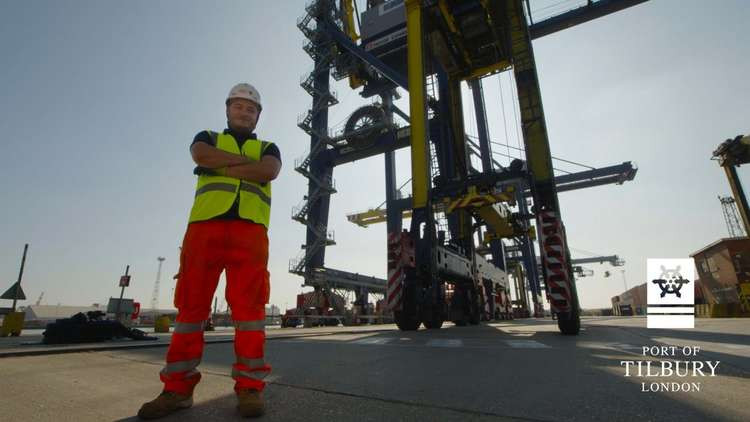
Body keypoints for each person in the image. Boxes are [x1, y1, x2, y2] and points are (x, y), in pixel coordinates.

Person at [138, 83, 281, 419]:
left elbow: (268, 171)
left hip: (251, 233)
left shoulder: (269, 147)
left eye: (250, 109)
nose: (244, 112)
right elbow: (201, 155)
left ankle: (249, 388)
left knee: (250, 314)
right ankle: (176, 390)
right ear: (228, 110)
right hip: (204, 230)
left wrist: (221, 167)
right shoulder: (208, 137)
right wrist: (241, 166)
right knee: (190, 310)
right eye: (238, 107)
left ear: (257, 116)